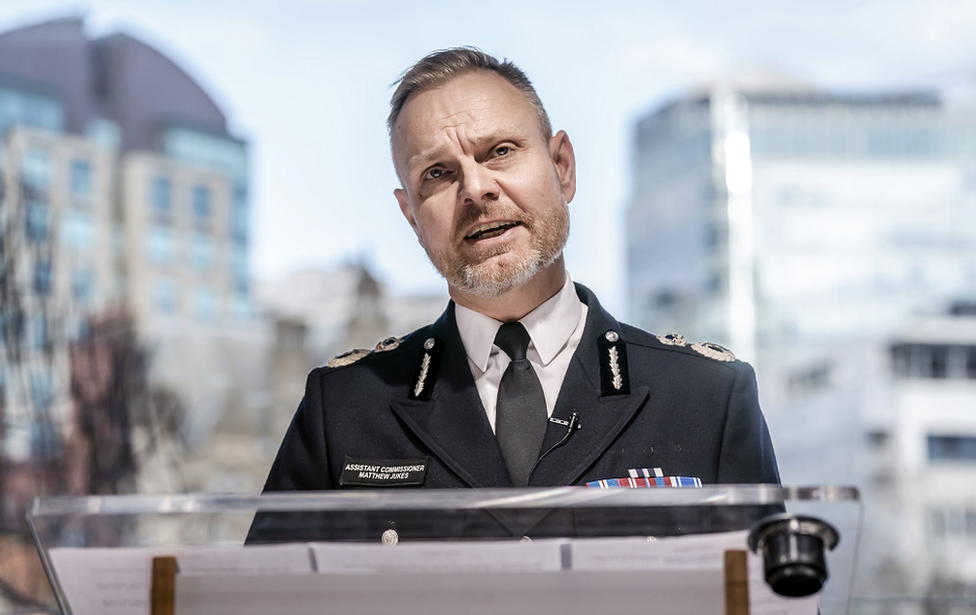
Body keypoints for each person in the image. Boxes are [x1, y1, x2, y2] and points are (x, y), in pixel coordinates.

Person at [257, 47, 778, 513]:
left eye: (500, 151)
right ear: (411, 216)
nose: (476, 189)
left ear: (563, 167)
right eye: (437, 173)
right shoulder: (344, 410)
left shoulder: (707, 398)